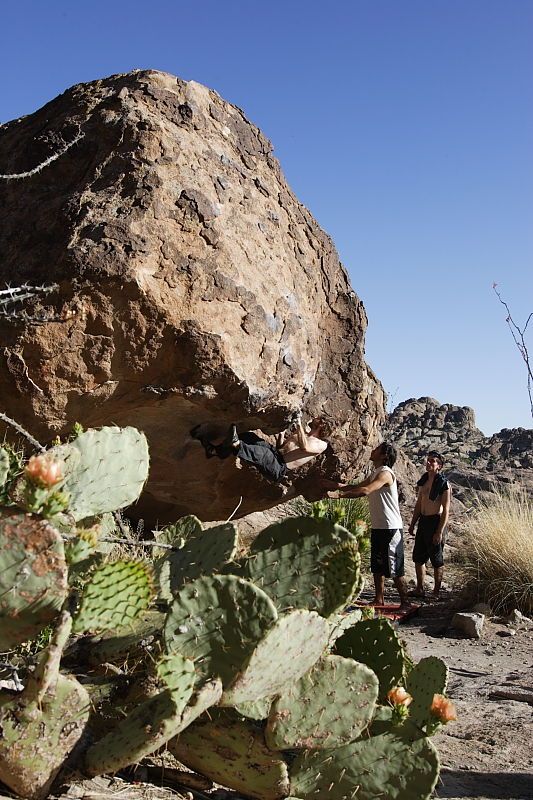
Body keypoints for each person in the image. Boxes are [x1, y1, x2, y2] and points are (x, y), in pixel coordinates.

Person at [325, 441, 411, 609]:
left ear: (384, 455)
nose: (373, 450)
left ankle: (405, 602)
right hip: (379, 526)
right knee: (377, 564)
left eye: (377, 449)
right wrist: (334, 485)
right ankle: (379, 599)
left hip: (390, 527)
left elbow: (365, 491)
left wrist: (338, 496)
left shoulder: (385, 474)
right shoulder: (376, 472)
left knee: (394, 566)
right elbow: (357, 486)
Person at [191, 415, 328, 483]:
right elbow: (281, 447)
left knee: (262, 454)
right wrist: (281, 435)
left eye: (318, 419)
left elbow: (305, 447)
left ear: (321, 425)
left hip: (279, 468)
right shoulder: (302, 432)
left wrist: (298, 425)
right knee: (249, 437)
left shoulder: (321, 445)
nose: (314, 418)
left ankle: (237, 445)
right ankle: (216, 451)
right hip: (276, 454)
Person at [408, 451, 451, 599]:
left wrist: (439, 531)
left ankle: (436, 592)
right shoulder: (423, 481)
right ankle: (419, 588)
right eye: (427, 460)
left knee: (436, 559)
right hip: (424, 521)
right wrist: (413, 524)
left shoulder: (444, 484)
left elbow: (446, 510)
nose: (428, 463)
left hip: (435, 521)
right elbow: (419, 504)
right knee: (418, 557)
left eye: (432, 461)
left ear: (439, 465)